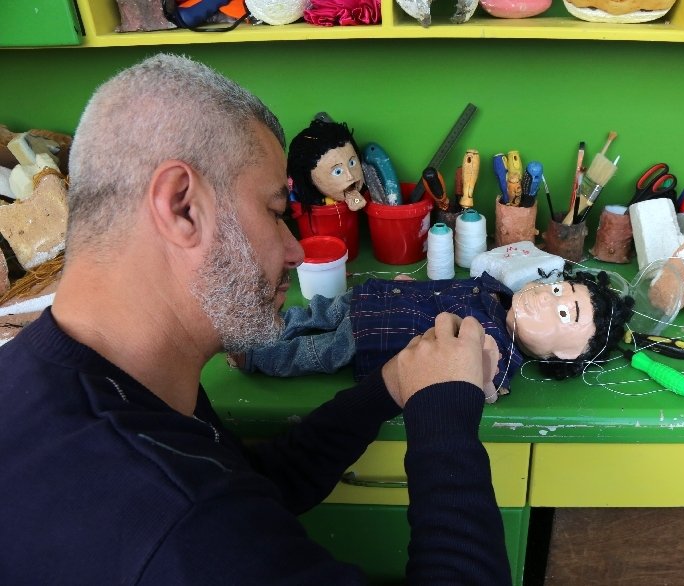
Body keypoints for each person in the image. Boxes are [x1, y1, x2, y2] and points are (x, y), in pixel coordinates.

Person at [0, 54, 511, 585]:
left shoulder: (84, 376)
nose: (295, 251)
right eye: (275, 212)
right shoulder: (180, 528)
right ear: (182, 207)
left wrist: (391, 386)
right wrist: (445, 416)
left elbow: (250, 481)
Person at [232, 270, 635, 398]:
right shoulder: (501, 293)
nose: (546, 297)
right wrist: (415, 286)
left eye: (563, 312)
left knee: (316, 352)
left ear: (564, 356)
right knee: (315, 311)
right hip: (376, 298)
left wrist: (487, 384)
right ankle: (255, 327)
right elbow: (449, 288)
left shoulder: (497, 353)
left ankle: (255, 357)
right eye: (558, 288)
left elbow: (476, 384)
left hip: (378, 335)